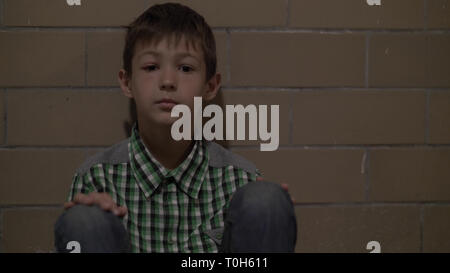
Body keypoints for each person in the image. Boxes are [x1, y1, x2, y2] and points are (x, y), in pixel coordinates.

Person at [54, 2, 297, 253]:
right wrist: (93, 225)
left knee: (266, 201)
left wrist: (270, 215)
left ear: (210, 86)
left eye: (185, 68)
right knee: (85, 220)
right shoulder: (97, 178)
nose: (168, 81)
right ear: (127, 82)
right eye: (151, 67)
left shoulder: (239, 181)